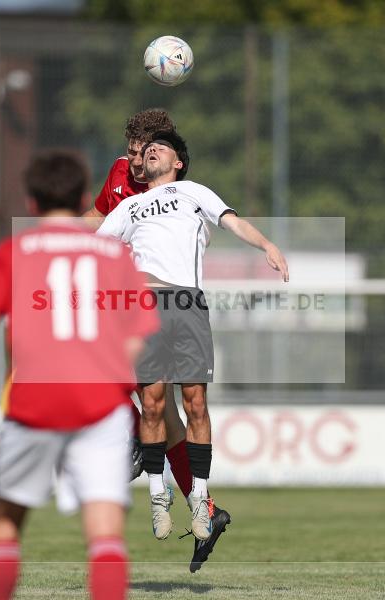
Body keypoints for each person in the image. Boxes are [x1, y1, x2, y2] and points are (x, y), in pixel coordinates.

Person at [0, 150, 158, 600]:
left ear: (31, 202)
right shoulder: (112, 253)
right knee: (105, 533)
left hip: (33, 398)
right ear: (81, 198)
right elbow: (141, 332)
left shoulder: (14, 250)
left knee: (5, 524)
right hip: (101, 405)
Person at [98, 129, 289, 547]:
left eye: (157, 149)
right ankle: (156, 495)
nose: (149, 153)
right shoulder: (130, 205)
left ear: (178, 162)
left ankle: (201, 500)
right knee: (151, 403)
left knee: (195, 403)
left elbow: (232, 221)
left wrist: (267, 244)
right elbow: (92, 249)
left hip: (187, 304)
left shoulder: (192, 193)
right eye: (144, 151)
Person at [85, 108, 229, 572]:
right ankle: (205, 507)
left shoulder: (169, 189)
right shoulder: (121, 175)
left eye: (139, 154)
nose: (131, 163)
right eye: (128, 154)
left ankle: (136, 445)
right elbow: (98, 215)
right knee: (160, 411)